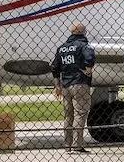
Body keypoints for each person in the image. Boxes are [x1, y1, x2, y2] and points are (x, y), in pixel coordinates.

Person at [51, 21, 96, 154]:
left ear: (71, 33)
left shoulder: (62, 48)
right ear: (84, 33)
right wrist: (88, 70)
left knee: (68, 115)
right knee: (80, 113)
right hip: (80, 82)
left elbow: (54, 67)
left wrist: (57, 85)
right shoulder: (84, 45)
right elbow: (90, 58)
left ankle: (67, 144)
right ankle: (77, 145)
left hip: (65, 84)